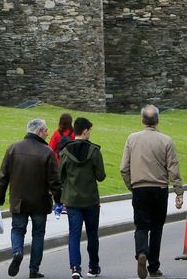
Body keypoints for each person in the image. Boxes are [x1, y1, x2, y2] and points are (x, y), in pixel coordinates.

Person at [120, 105, 183, 279]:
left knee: (141, 226)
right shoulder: (166, 140)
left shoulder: (132, 139)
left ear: (142, 121)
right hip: (159, 189)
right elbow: (173, 167)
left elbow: (124, 168)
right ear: (158, 120)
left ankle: (141, 251)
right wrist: (179, 192)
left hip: (140, 188)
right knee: (156, 228)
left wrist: (131, 185)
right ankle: (153, 266)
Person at [0, 119, 62, 279]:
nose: (48, 132)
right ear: (39, 131)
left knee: (18, 229)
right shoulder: (47, 151)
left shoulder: (13, 148)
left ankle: (17, 251)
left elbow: (3, 176)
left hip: (19, 199)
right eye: (46, 130)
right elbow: (54, 180)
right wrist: (59, 199)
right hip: (40, 200)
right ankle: (34, 269)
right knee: (38, 234)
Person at [60, 117, 105, 279]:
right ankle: (93, 267)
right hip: (91, 199)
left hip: (72, 200)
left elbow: (60, 175)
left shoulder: (65, 151)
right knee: (92, 234)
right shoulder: (94, 151)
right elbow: (101, 176)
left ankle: (75, 267)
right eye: (90, 131)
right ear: (85, 131)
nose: (90, 133)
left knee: (74, 234)